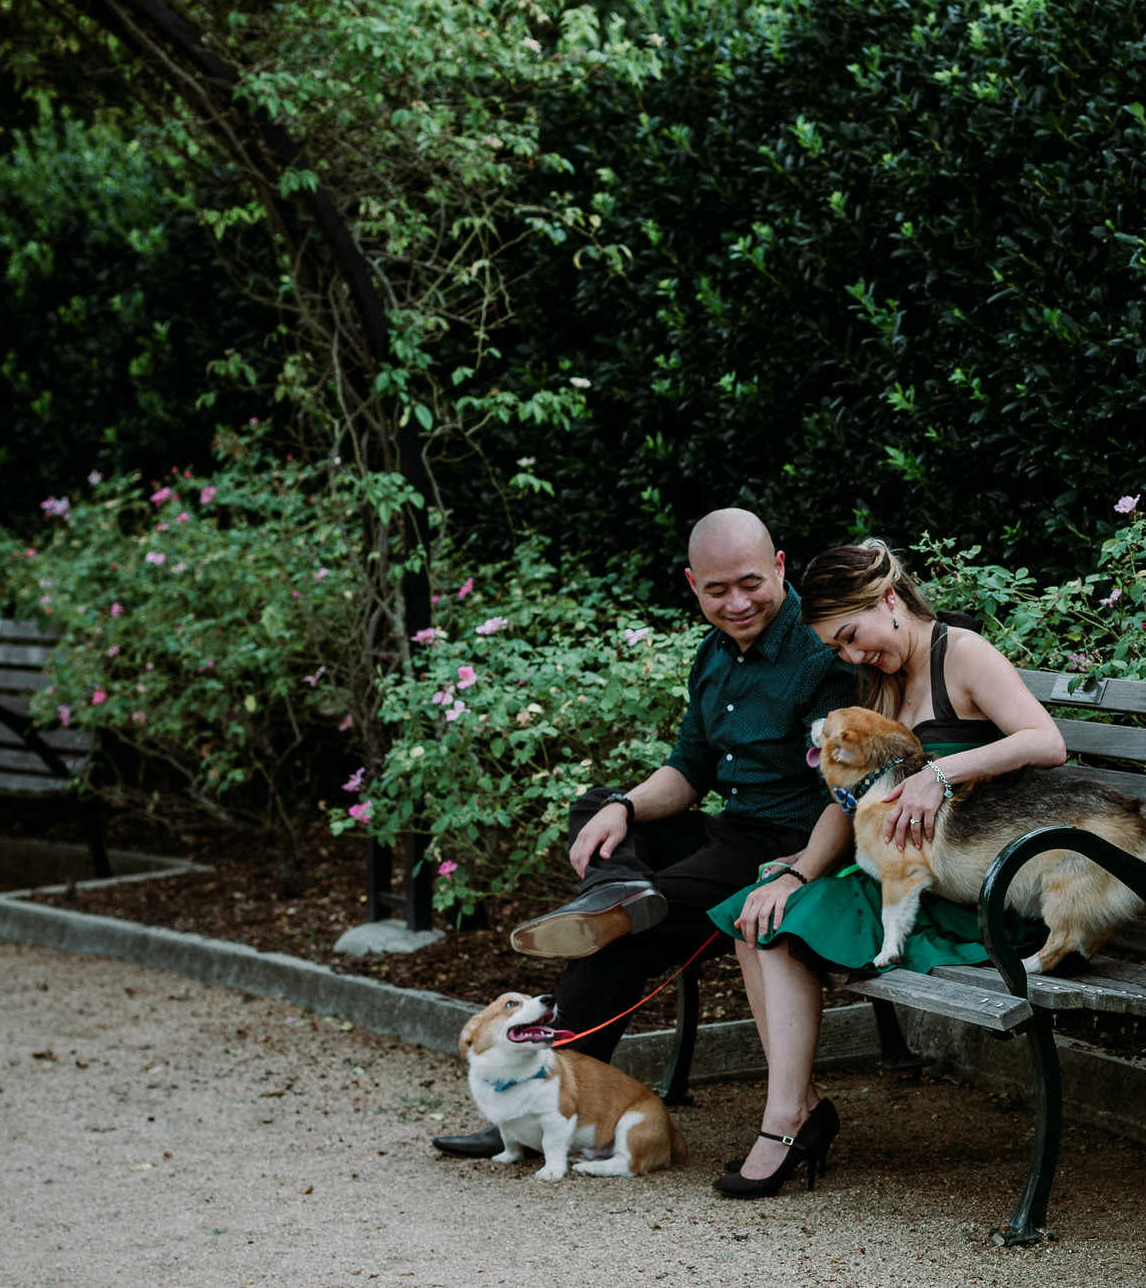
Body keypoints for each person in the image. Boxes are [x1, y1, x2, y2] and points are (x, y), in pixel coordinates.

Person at [432, 508, 858, 1159]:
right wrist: (624, 810)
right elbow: (689, 768)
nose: (735, 602)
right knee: (599, 807)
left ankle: (543, 1091)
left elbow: (846, 792)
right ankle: (618, 894)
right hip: (730, 831)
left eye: (749, 583)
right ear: (693, 584)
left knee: (622, 935)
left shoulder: (818, 652)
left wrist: (802, 865)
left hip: (793, 849)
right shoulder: (713, 655)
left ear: (778, 566)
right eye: (716, 590)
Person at [705, 540, 1067, 1197]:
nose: (851, 657)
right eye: (837, 649)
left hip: (968, 895)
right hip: (901, 882)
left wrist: (939, 772)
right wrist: (799, 869)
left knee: (783, 924)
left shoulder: (961, 653)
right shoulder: (883, 680)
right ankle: (798, 1104)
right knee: (757, 908)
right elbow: (847, 802)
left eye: (852, 636)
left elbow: (1046, 741)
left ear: (890, 598)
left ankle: (786, 1119)